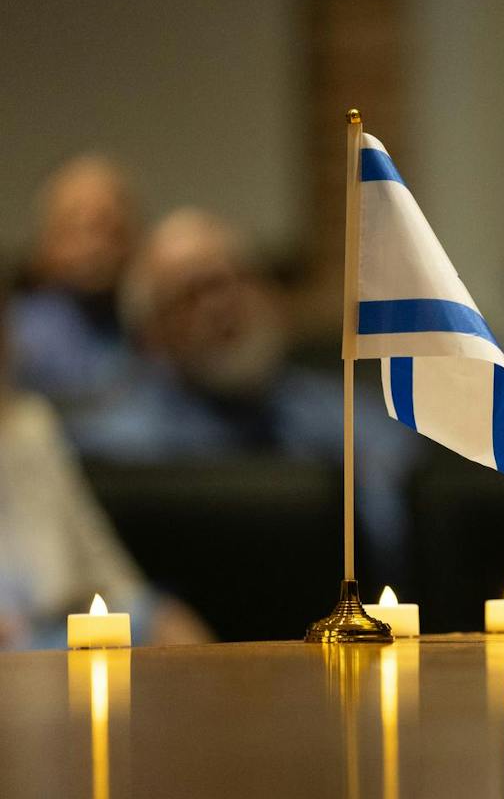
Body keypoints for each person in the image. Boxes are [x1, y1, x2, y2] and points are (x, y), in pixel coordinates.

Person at [69, 208, 418, 583]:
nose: (223, 304)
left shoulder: (351, 418)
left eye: (237, 279)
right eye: (192, 292)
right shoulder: (111, 451)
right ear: (149, 333)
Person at [0, 283, 209, 649]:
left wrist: (145, 610)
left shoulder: (31, 425)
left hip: (53, 630)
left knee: (164, 619)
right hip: (13, 649)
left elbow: (97, 554)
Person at [6, 155, 140, 411]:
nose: (94, 247)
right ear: (44, 244)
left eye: (110, 229)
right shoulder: (16, 335)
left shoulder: (155, 331)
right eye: (75, 229)